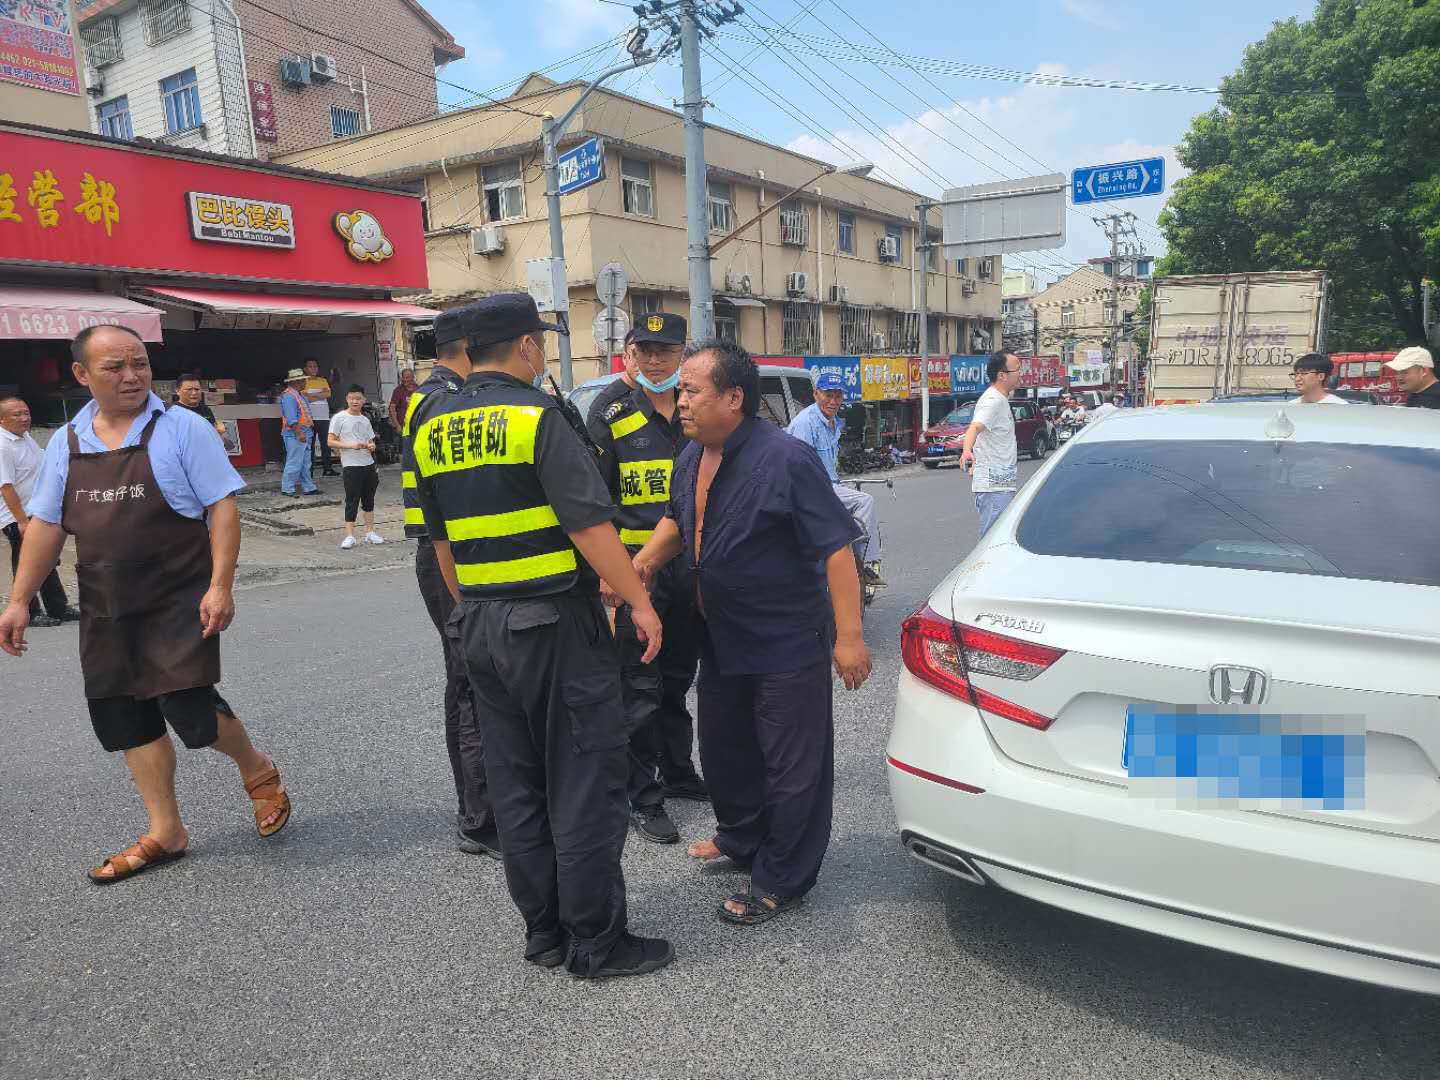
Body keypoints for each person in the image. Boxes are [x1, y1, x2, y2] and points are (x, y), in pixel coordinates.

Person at [412, 291, 671, 979]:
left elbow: (441, 543)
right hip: (553, 624)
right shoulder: (536, 415)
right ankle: (597, 942)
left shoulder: (431, 424)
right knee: (584, 779)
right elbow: (589, 525)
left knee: (517, 784)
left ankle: (545, 933)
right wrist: (639, 602)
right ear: (526, 346)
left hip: (481, 622)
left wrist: (474, 608)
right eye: (542, 343)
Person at [0, 325, 290, 883]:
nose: (132, 376)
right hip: (106, 601)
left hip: (178, 594)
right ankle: (166, 830)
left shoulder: (183, 428)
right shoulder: (66, 442)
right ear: (82, 374)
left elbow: (222, 508)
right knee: (125, 713)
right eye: (115, 367)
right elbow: (46, 525)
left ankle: (256, 768)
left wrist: (220, 585)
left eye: (140, 364)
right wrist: (19, 600)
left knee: (188, 705)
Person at [633, 341, 872, 927]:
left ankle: (783, 877)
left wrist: (849, 637)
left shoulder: (787, 459)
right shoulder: (691, 455)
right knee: (726, 749)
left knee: (792, 765)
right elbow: (678, 520)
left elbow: (836, 549)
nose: (679, 401)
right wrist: (640, 566)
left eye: (692, 391)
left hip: (784, 639)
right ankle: (741, 837)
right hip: (720, 634)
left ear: (734, 397)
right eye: (680, 391)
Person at [586, 311, 707, 848]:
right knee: (637, 688)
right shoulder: (609, 411)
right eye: (645, 350)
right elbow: (593, 504)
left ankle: (678, 771)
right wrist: (608, 574)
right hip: (635, 571)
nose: (656, 360)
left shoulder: (693, 406)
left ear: (682, 353)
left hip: (689, 569)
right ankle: (643, 796)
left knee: (678, 678)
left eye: (667, 350)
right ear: (629, 351)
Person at [400, 305, 499, 858]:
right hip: (448, 553)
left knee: (469, 678)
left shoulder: (435, 394)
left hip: (450, 549)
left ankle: (481, 808)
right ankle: (480, 817)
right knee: (470, 680)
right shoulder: (443, 400)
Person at [786, 371, 884, 587]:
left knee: (857, 510)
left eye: (837, 396)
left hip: (828, 485)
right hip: (811, 488)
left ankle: (855, 558)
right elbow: (801, 468)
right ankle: (865, 563)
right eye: (828, 395)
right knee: (865, 502)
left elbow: (829, 466)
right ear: (816, 394)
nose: (833, 401)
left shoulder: (832, 423)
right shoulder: (806, 423)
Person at [1, 396, 80, 627]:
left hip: (36, 511)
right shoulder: (3, 446)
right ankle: (30, 611)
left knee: (45, 558)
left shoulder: (24, 438)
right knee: (24, 563)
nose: (24, 418)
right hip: (17, 516)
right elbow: (5, 487)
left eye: (26, 412)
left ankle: (58, 607)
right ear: (2, 420)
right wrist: (21, 521)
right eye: (17, 414)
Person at [960, 352, 1024, 536]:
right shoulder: (992, 400)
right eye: (1017, 369)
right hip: (994, 487)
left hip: (1002, 484)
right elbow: (975, 427)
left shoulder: (1000, 399)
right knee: (992, 541)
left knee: (1000, 539)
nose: (1020, 373)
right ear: (1002, 375)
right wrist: (966, 451)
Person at [328, 385, 385, 549]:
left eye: (358, 398)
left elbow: (370, 441)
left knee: (369, 499)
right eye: (352, 398)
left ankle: (370, 532)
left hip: (368, 464)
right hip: (351, 465)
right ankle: (349, 535)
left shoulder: (365, 419)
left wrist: (371, 446)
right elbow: (330, 441)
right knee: (352, 499)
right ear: (347, 399)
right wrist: (351, 446)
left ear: (363, 400)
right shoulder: (339, 418)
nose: (355, 401)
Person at [279, 369, 319, 497]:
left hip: (304, 432)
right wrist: (299, 433)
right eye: (303, 380)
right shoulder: (289, 396)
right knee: (295, 462)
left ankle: (308, 487)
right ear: (297, 381)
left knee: (305, 463)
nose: (305, 382)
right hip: (296, 434)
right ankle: (287, 488)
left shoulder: (297, 394)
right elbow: (291, 418)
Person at [301, 358, 337, 477]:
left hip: (323, 417)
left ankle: (327, 469)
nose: (313, 368)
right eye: (310, 366)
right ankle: (309, 471)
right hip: (309, 418)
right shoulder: (302, 382)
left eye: (315, 366)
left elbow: (328, 394)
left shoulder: (323, 380)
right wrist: (320, 394)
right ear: (305, 369)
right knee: (310, 445)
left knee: (326, 444)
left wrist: (311, 394)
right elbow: (305, 398)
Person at [387, 367, 418, 432]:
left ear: (413, 378)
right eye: (403, 377)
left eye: (407, 377)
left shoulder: (418, 389)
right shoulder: (398, 390)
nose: (404, 379)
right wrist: (397, 425)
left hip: (416, 426)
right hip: (402, 427)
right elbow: (392, 408)